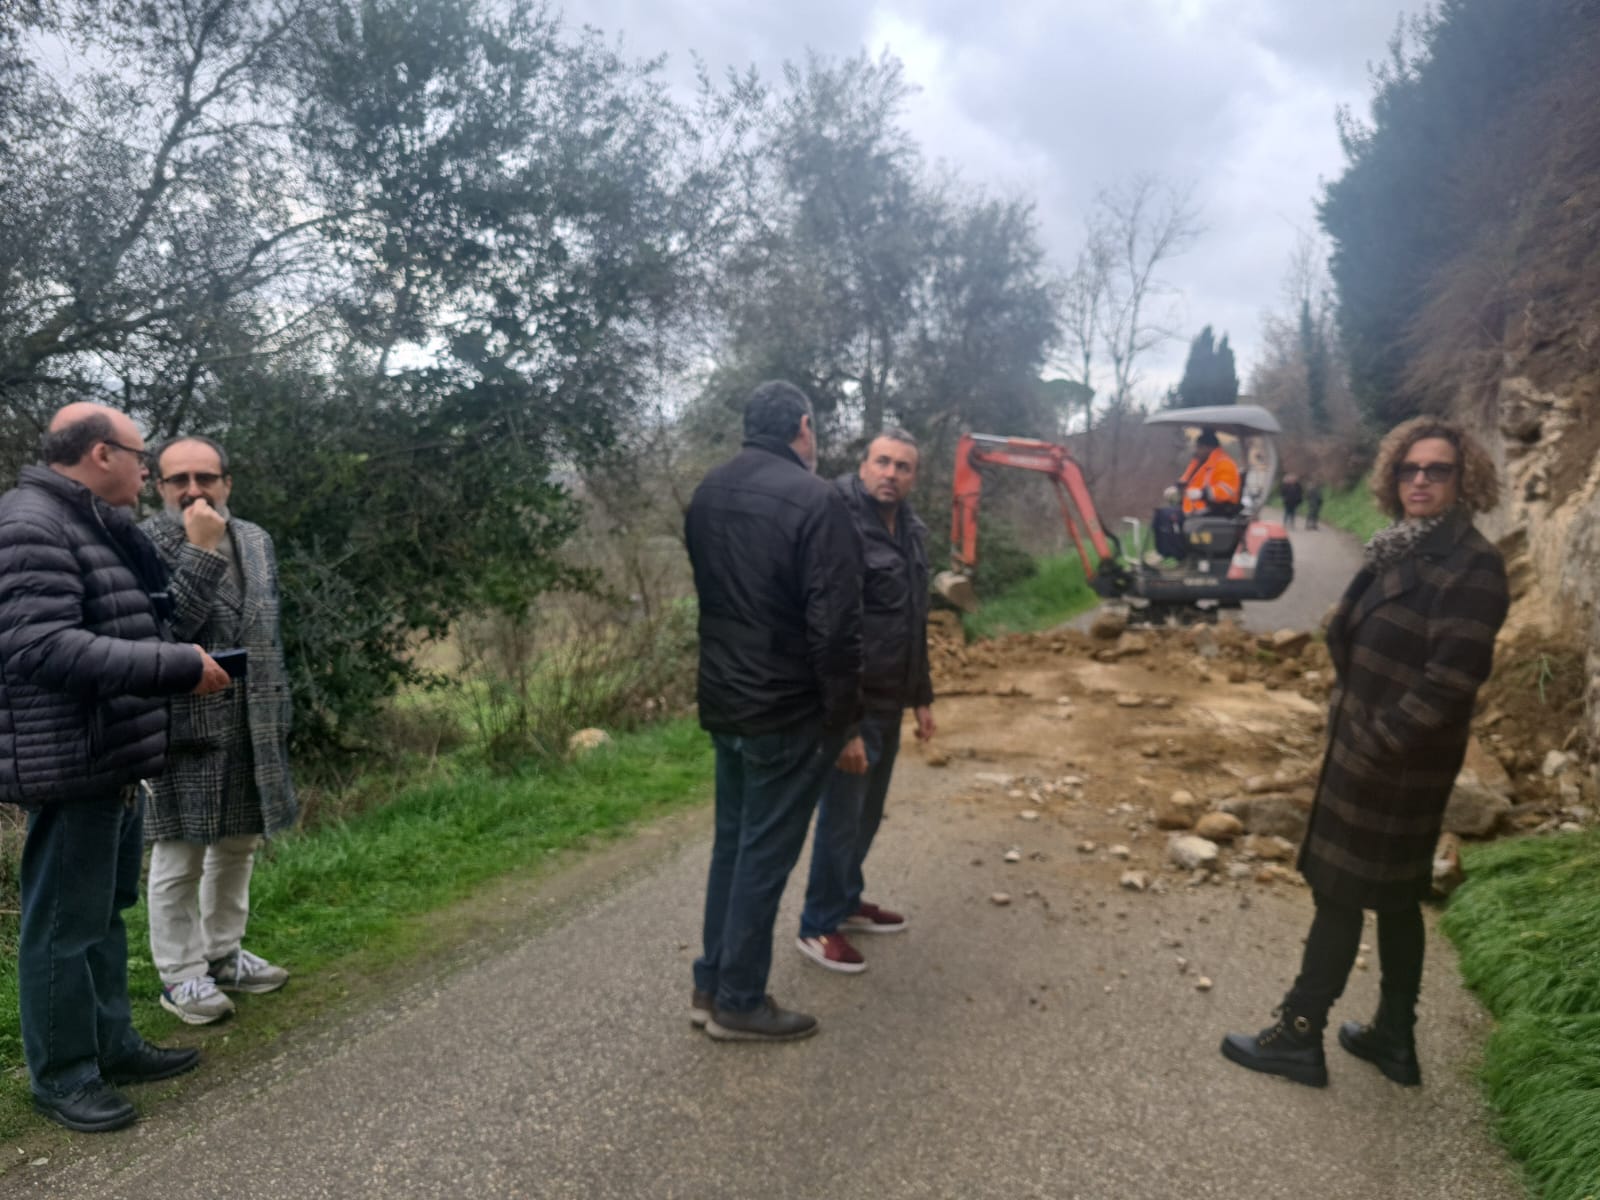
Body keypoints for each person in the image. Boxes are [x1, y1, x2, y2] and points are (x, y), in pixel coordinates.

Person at [1220, 416, 1508, 1089]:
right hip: (1374, 755)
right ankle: (1393, 1039)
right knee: (1398, 896)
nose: (1420, 481)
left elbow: (1451, 681)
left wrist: (1376, 744)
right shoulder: (1399, 548)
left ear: (1464, 479)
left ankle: (1299, 1033)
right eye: (1410, 469)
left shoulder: (1472, 565)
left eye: (1437, 470)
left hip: (1394, 766)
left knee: (1340, 893)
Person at [0, 403, 232, 1133]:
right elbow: (39, 649)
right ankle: (64, 1077)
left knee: (102, 916)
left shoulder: (94, 523)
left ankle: (110, 1045)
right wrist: (174, 668)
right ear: (103, 454)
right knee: (63, 926)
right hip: (70, 760)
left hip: (112, 756)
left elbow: (143, 616)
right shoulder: (31, 524)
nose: (146, 467)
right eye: (141, 455)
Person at [684, 380, 864, 1041]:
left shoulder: (709, 490)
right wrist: (844, 720)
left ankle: (710, 984)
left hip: (726, 702)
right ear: (803, 426)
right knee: (763, 856)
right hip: (786, 713)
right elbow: (835, 627)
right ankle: (739, 1001)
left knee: (732, 848)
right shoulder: (817, 501)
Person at [140, 436, 297, 1025]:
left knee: (238, 846)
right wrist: (200, 552)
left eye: (205, 477)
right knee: (178, 856)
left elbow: (266, 632)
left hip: (255, 719)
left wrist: (279, 713)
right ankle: (180, 978)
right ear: (159, 488)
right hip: (185, 727)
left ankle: (223, 954)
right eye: (178, 479)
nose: (193, 490)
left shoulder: (256, 539)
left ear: (227, 482)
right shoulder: (146, 543)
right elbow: (166, 628)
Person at [796, 429, 934, 973]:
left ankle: (846, 900)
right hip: (851, 707)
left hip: (890, 701)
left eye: (903, 466)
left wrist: (922, 697)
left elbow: (913, 623)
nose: (891, 474)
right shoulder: (838, 521)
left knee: (867, 815)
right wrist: (845, 725)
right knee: (841, 816)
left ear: (913, 476)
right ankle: (817, 925)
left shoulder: (912, 531)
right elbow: (830, 628)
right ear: (863, 464)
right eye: (882, 462)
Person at [1178, 428, 1242, 517]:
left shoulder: (1225, 464)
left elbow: (1226, 491)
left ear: (1209, 448)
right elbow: (1185, 482)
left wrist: (1202, 493)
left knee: (1170, 518)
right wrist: (1176, 488)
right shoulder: (1198, 462)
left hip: (1214, 510)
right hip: (1192, 509)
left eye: (1199, 447)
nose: (1196, 451)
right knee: (1164, 515)